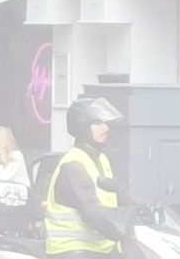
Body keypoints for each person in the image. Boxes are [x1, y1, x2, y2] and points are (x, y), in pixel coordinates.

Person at [45, 98, 128, 259]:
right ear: (81, 127)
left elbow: (118, 194)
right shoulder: (73, 165)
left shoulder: (101, 159)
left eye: (105, 122)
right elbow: (90, 212)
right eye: (97, 123)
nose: (105, 128)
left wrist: (141, 206)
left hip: (100, 249)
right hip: (72, 250)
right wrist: (125, 232)